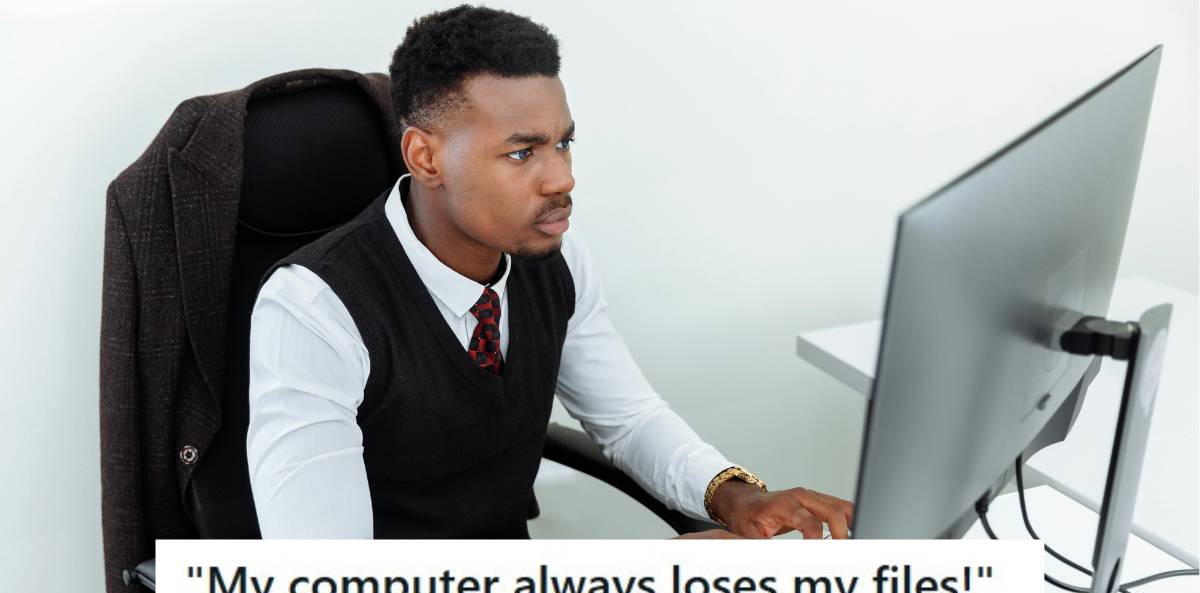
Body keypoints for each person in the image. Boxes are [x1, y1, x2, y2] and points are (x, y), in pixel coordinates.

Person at [246, 4, 853, 541]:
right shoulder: (313, 311)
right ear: (425, 157)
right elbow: (322, 589)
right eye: (522, 152)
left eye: (564, 143)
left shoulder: (552, 252)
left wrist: (736, 497)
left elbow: (628, 418)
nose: (562, 178)